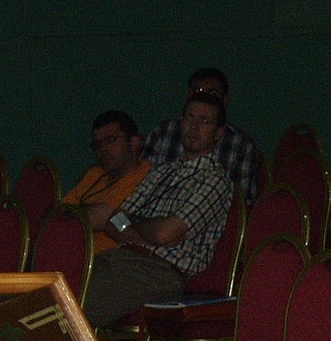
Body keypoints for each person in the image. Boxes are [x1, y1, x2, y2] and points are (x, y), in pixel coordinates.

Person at [81, 91, 234, 327]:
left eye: (204, 121)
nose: (194, 127)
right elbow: (114, 223)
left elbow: (163, 233)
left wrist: (133, 223)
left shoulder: (215, 181)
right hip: (118, 257)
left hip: (158, 272)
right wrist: (144, 229)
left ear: (218, 133)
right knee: (47, 295)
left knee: (72, 310)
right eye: (190, 118)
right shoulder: (161, 172)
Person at [142, 67, 262, 204]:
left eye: (212, 92)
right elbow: (141, 183)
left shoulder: (241, 145)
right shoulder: (164, 131)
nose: (204, 96)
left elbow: (242, 203)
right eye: (197, 91)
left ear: (225, 99)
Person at [62, 110, 153, 250]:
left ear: (134, 142)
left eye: (111, 140)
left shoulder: (150, 177)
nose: (103, 149)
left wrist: (76, 213)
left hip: (111, 257)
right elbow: (57, 214)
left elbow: (107, 218)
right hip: (68, 248)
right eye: (98, 144)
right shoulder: (94, 174)